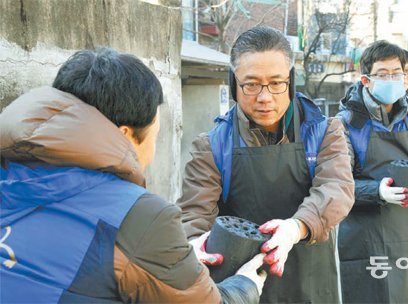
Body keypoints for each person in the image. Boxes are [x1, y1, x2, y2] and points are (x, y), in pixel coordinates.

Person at [0, 48, 267, 303]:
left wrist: (176, 261)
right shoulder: (140, 216)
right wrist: (244, 286)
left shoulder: (9, 174)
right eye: (155, 135)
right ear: (126, 135)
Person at [177, 26, 355, 303]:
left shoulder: (324, 132)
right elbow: (194, 214)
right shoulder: (211, 145)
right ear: (234, 83)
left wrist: (296, 228)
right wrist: (193, 244)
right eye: (251, 84)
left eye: (276, 83)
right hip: (240, 286)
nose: (264, 97)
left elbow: (336, 188)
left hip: (312, 283)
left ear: (291, 81)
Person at [336, 40, 408, 303]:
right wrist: (377, 191)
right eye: (382, 74)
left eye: (397, 73)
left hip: (407, 236)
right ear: (365, 80)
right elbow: (338, 184)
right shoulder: (346, 124)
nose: (392, 79)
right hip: (362, 236)